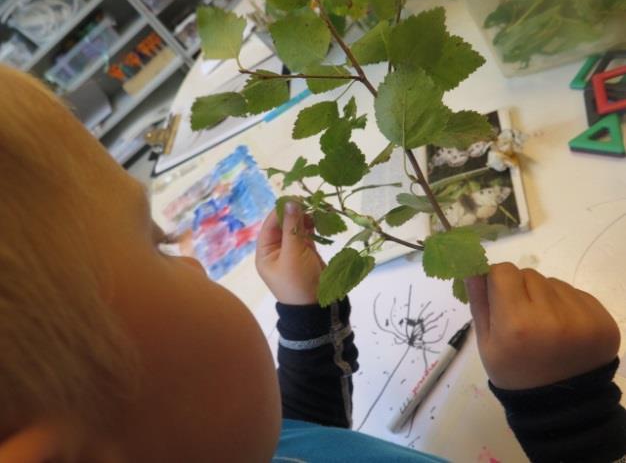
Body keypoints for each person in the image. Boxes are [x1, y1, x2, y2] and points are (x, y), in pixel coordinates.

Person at [0, 65, 624, 463]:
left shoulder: (221, 442)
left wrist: (305, 313)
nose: (192, 266)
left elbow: (302, 438)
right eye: (156, 245)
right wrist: (570, 420)